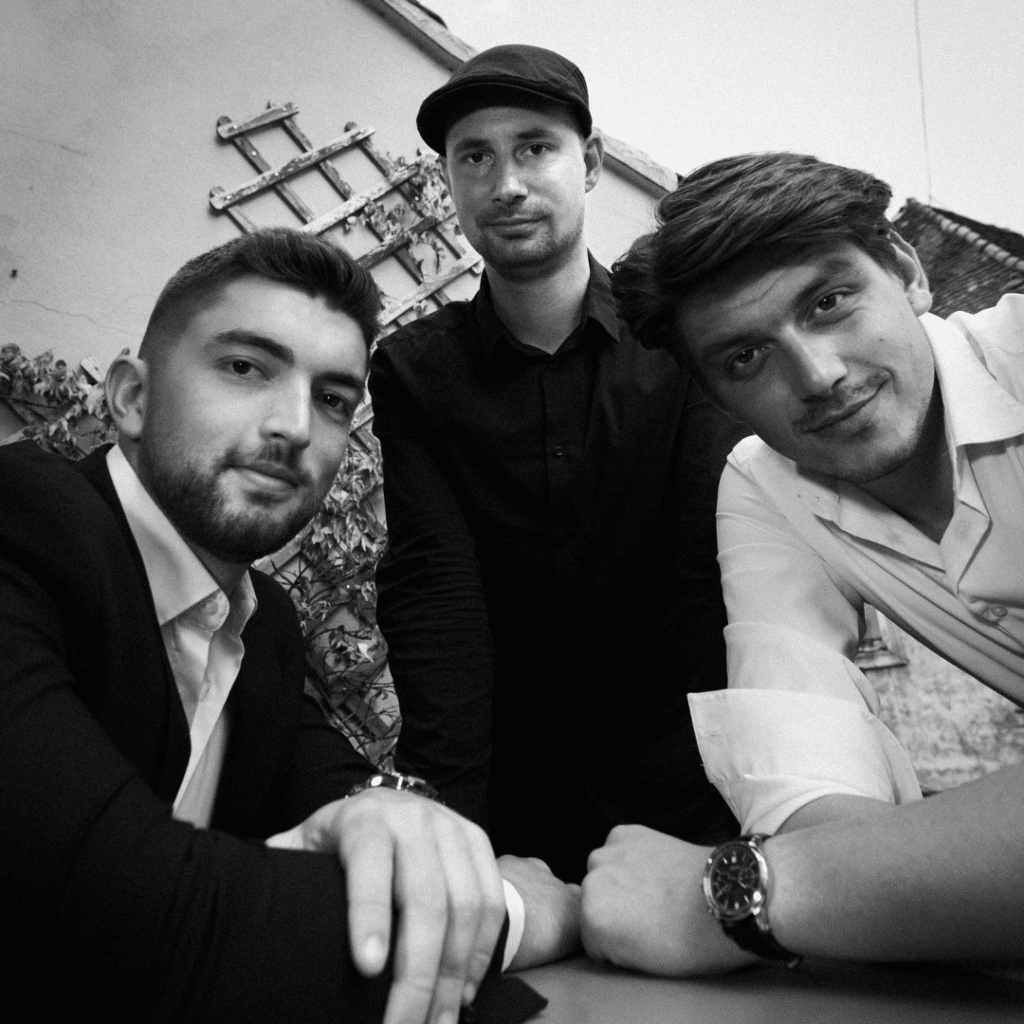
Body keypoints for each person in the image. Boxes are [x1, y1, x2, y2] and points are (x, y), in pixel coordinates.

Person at [0, 228, 566, 1024]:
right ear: (130, 397)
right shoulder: (19, 530)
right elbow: (118, 922)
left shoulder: (260, 634)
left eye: (332, 399)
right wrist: (521, 910)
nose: (295, 426)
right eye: (245, 367)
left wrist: (392, 816)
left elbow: (352, 798)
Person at [579, 152, 1024, 976]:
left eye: (828, 302)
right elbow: (812, 805)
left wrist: (731, 901)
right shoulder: (764, 487)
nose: (819, 376)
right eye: (746, 358)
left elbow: (826, 880)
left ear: (908, 273)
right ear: (716, 396)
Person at [368, 45, 745, 886]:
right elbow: (437, 592)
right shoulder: (416, 373)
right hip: (515, 815)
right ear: (450, 182)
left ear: (592, 163)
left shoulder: (680, 343)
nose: (505, 184)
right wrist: (449, 835)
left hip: (696, 802)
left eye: (534, 148)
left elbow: (715, 569)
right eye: (475, 158)